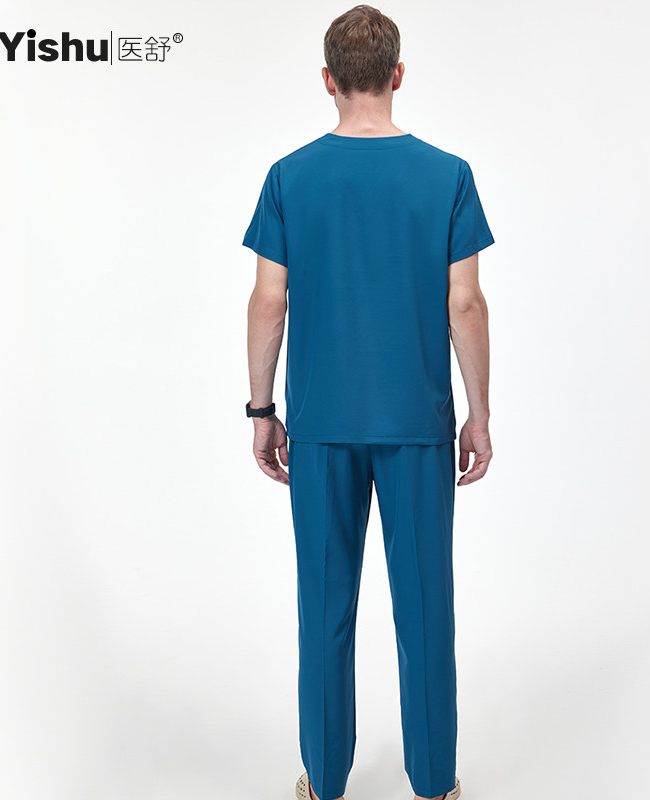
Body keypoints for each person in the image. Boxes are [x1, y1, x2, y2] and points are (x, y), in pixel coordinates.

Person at [242, 6, 494, 800]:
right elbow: (464, 304)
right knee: (425, 613)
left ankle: (324, 782)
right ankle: (434, 785)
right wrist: (479, 414)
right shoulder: (448, 176)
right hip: (417, 425)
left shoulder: (289, 177)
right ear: (397, 75)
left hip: (320, 427)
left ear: (328, 80)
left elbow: (268, 301)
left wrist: (261, 410)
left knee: (324, 612)